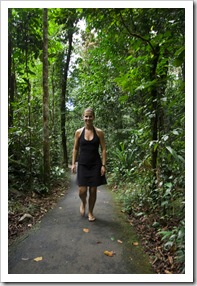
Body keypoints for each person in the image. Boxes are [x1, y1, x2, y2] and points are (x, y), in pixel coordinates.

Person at [71, 107, 107, 222]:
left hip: (95, 164)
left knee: (93, 191)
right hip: (82, 164)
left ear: (94, 117)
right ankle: (83, 203)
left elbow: (103, 149)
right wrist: (73, 164)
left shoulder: (99, 132)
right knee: (82, 191)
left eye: (90, 116)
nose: (88, 118)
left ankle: (91, 212)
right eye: (86, 116)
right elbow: (75, 149)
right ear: (83, 117)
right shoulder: (78, 132)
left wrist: (103, 165)